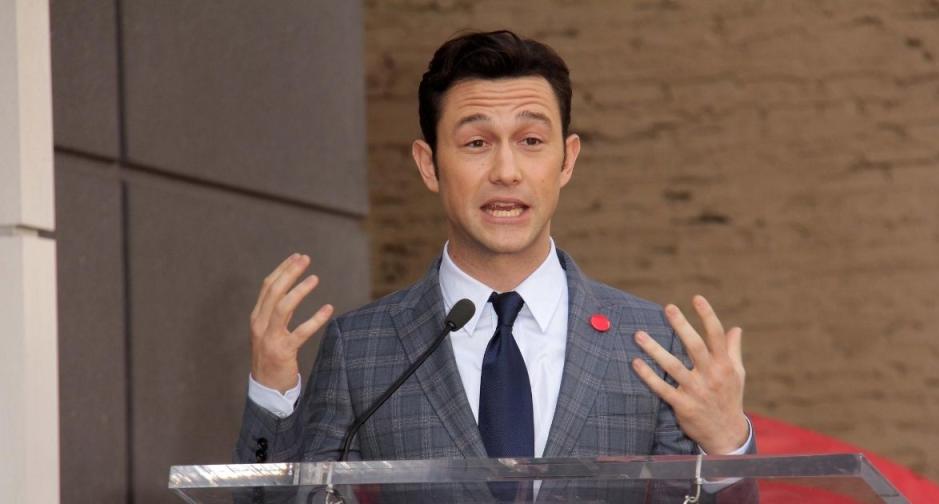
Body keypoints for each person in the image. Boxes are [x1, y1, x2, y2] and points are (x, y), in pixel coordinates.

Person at [235, 30, 754, 501]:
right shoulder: (360, 348)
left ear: (567, 160)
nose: (506, 172)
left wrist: (728, 446)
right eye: (476, 143)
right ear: (428, 164)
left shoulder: (647, 343)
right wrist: (273, 393)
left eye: (531, 141)